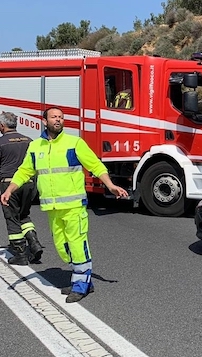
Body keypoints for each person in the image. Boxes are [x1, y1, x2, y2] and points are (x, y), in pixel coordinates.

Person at [0, 107, 129, 303]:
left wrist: (110, 185)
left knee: (77, 244)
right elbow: (25, 171)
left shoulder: (74, 143)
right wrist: (9, 189)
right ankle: (84, 278)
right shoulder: (36, 147)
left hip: (74, 207)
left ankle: (81, 284)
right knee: (62, 247)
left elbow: (95, 165)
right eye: (54, 117)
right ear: (45, 121)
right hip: (52, 209)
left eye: (61, 117)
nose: (58, 120)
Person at [0, 112, 42, 265]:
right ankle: (34, 242)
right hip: (29, 183)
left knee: (11, 217)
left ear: (2, 126)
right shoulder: (29, 141)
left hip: (9, 184)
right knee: (24, 215)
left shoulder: (2, 142)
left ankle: (20, 254)